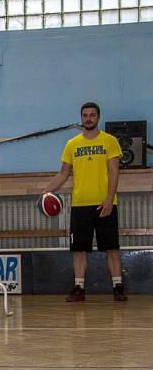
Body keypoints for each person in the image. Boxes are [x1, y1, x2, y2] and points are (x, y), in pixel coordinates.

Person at [43, 101, 126, 302]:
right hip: (80, 205)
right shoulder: (72, 144)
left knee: (112, 248)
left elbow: (114, 172)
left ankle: (118, 287)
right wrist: (45, 191)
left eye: (92, 115)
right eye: (85, 115)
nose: (88, 118)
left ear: (98, 117)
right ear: (81, 118)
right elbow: (63, 173)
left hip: (104, 204)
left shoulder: (110, 141)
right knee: (79, 249)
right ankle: (79, 288)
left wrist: (109, 199)